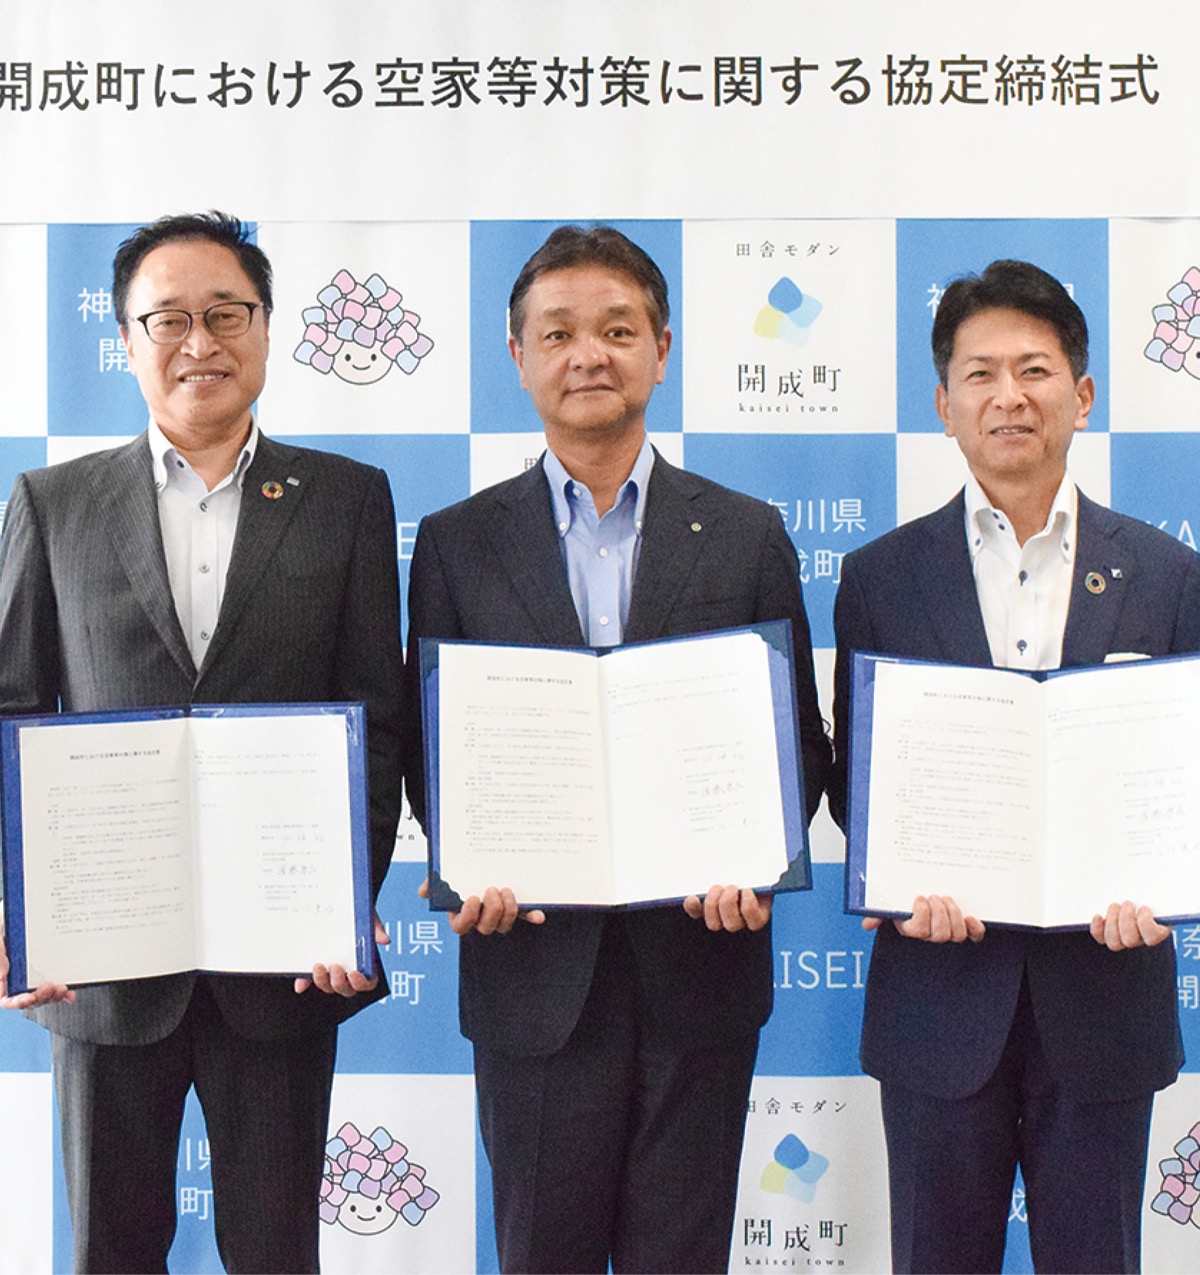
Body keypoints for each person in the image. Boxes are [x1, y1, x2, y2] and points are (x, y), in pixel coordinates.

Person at [401, 224, 830, 1274]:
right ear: (519, 357)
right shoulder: (456, 542)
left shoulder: (747, 533)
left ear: (662, 349)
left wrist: (760, 858)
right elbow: (427, 743)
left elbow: (800, 741)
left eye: (618, 329)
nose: (588, 354)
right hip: (532, 969)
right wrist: (468, 865)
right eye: (558, 333)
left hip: (702, 967)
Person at [0, 211, 404, 1274]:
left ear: (265, 328)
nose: (200, 342)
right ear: (126, 340)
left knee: (275, 1251)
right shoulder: (54, 503)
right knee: (110, 1249)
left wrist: (342, 897)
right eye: (168, 318)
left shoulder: (347, 500)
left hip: (283, 967)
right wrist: (18, 904)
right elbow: (13, 710)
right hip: (103, 968)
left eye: (227, 314)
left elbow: (374, 716)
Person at [830, 259, 1200, 1274]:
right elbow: (856, 778)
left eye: (1035, 370)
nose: (1009, 396)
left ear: (1083, 394)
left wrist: (1164, 881)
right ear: (943, 405)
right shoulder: (880, 578)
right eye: (980, 373)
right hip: (938, 998)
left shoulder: (1170, 577)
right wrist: (899, 881)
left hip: (1106, 999)